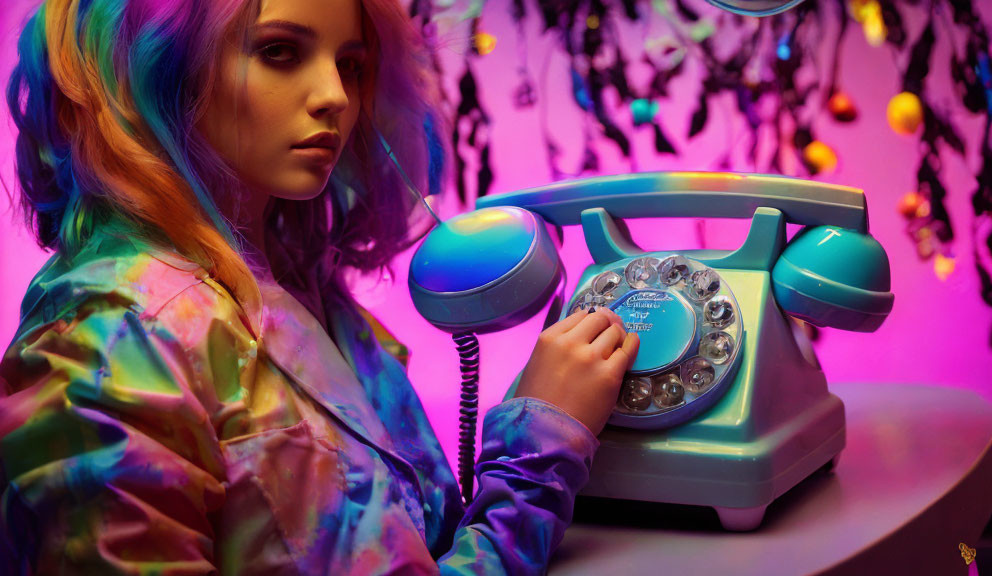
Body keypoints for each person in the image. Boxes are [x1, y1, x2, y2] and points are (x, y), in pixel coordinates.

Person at [0, 0, 640, 573]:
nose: (335, 94)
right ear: (150, 70)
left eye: (352, 64)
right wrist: (535, 456)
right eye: (279, 51)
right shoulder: (109, 335)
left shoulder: (304, 290)